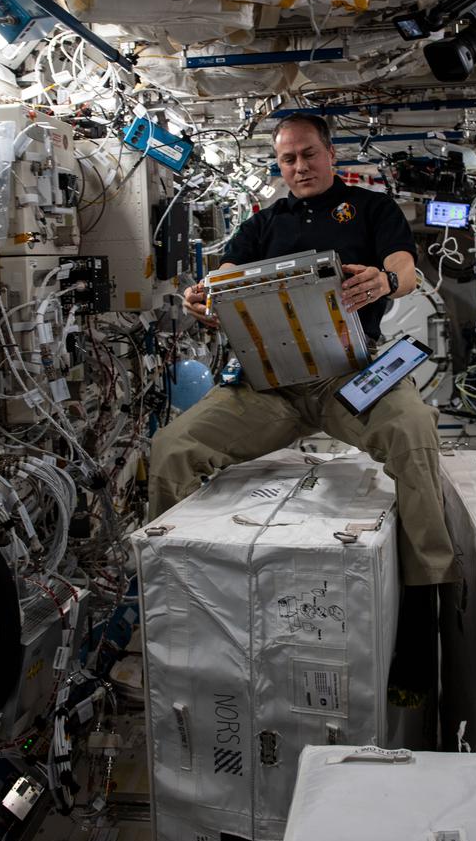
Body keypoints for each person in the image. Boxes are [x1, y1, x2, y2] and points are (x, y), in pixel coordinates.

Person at [147, 113, 458, 592]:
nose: (300, 166)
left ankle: (430, 583)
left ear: (331, 154)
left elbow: (404, 268)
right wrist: (203, 296)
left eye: (309, 154)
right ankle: (174, 590)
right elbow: (223, 278)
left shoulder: (373, 209)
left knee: (412, 429)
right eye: (287, 159)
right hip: (269, 383)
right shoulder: (261, 226)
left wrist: (387, 281)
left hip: (348, 376)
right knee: (172, 449)